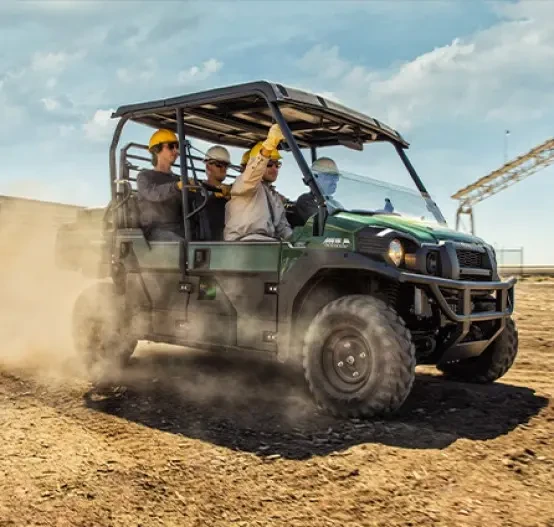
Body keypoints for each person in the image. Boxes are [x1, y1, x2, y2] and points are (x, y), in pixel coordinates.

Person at [224, 124, 293, 241]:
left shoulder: (274, 196)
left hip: (266, 244)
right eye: (270, 164)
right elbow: (254, 172)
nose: (274, 169)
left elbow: (283, 229)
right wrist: (268, 147)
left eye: (277, 165)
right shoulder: (245, 183)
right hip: (244, 244)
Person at [136, 128, 185, 241]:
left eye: (177, 147)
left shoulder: (177, 179)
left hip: (177, 228)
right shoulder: (144, 176)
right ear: (156, 149)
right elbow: (153, 193)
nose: (175, 151)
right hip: (154, 231)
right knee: (183, 245)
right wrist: (176, 187)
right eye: (171, 146)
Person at [296, 157, 341, 223]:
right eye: (329, 176)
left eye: (335, 177)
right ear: (315, 177)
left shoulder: (334, 203)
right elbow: (321, 223)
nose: (335, 181)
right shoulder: (306, 201)